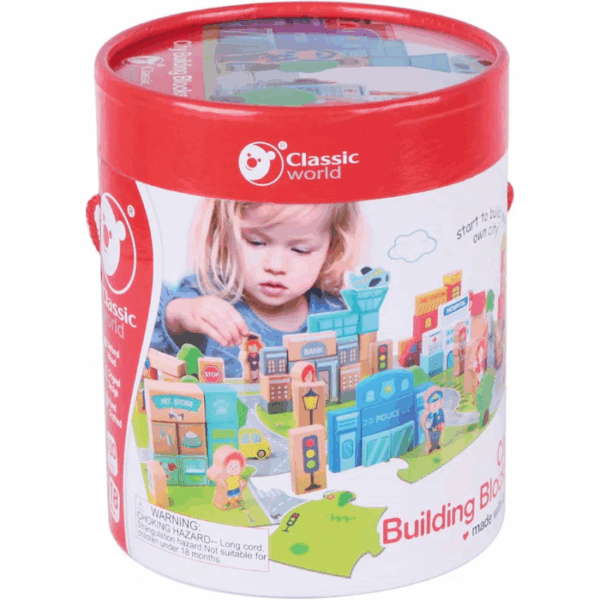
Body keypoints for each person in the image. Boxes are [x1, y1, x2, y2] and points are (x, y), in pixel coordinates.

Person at [152, 199, 363, 377]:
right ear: (225, 236)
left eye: (300, 250)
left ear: (331, 249)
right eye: (256, 242)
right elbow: (145, 329)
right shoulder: (208, 294)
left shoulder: (337, 312)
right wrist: (181, 313)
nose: (276, 266)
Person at [423, 388, 445, 453]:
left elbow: (442, 418)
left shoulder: (440, 411)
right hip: (431, 429)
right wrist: (427, 426)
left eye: (437, 403)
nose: (435, 405)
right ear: (430, 406)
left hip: (438, 427)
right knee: (432, 438)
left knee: (437, 436)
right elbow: (427, 423)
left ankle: (436, 445)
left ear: (439, 403)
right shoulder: (430, 415)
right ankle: (433, 446)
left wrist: (442, 423)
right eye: (433, 404)